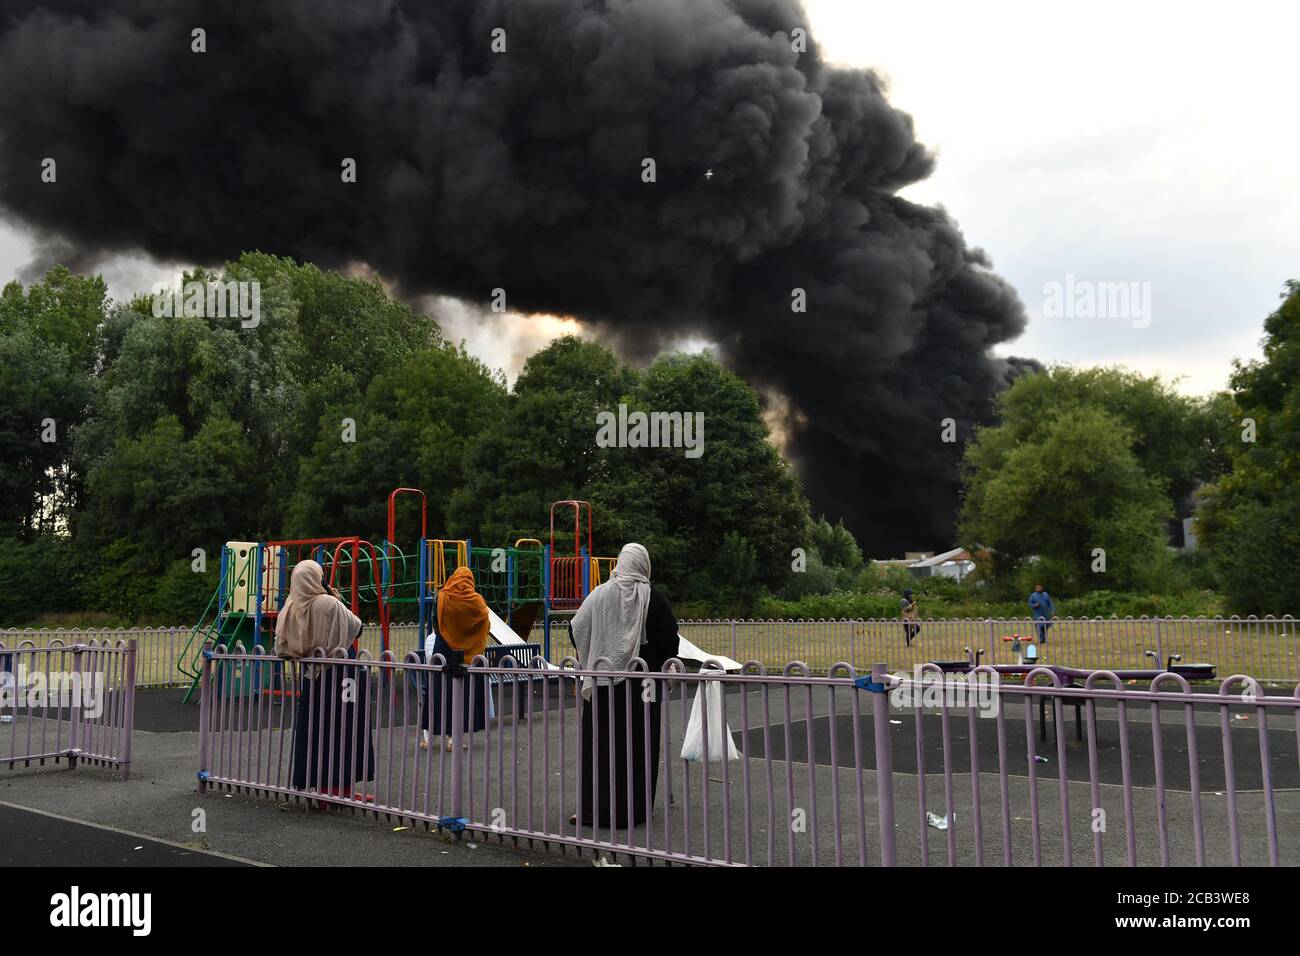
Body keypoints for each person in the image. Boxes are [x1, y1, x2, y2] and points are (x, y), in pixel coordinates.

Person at [571, 542, 679, 829]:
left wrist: (591, 652)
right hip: (642, 685)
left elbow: (577, 626)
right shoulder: (652, 598)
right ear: (644, 565)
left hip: (603, 680)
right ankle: (633, 810)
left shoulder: (600, 594)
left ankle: (594, 811)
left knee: (600, 745)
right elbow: (669, 639)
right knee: (638, 745)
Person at [275, 560, 376, 800]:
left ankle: (321, 786)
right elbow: (357, 627)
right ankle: (343, 788)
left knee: (317, 727)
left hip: (313, 675)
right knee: (347, 725)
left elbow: (281, 646)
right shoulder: (329, 603)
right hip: (342, 675)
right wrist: (334, 596)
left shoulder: (290, 607)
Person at [423, 566, 492, 752]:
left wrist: (447, 635)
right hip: (467, 653)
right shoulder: (476, 601)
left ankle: (430, 736)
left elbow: (436, 624)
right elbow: (485, 623)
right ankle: (455, 739)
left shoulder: (442, 596)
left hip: (443, 649)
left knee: (439, 691)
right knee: (462, 695)